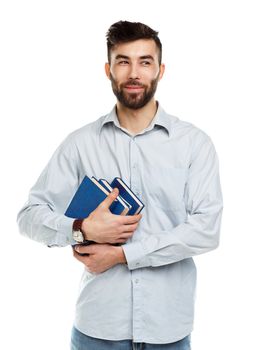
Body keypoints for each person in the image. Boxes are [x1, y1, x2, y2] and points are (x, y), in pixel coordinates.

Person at [17, 20, 223, 350]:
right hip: (97, 329)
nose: (134, 73)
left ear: (160, 70)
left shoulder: (194, 144)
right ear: (108, 69)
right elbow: (28, 217)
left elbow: (206, 229)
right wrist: (83, 228)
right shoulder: (80, 143)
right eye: (123, 61)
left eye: (145, 62)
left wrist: (122, 255)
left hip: (168, 329)